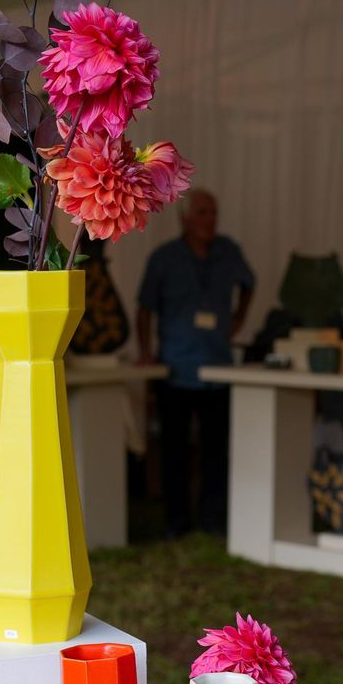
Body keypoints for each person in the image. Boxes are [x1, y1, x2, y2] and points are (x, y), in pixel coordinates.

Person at [136, 189, 254, 537]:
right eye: (202, 213)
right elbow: (145, 307)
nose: (210, 220)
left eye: (213, 212)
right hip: (176, 368)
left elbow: (250, 284)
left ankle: (212, 518)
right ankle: (176, 520)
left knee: (216, 449)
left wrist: (237, 321)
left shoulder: (228, 251)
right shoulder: (165, 257)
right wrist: (146, 351)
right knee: (175, 449)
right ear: (185, 219)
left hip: (217, 367)